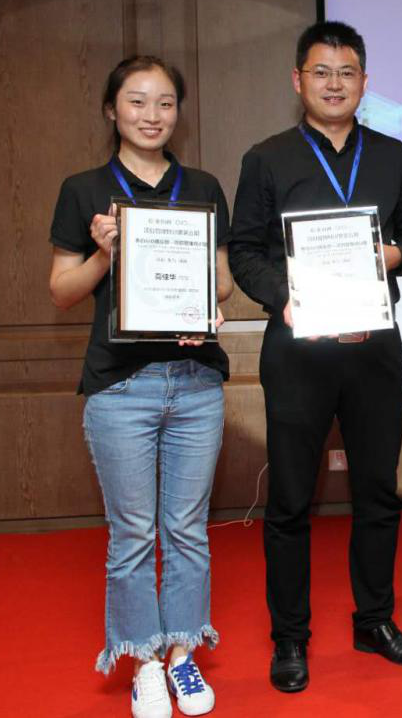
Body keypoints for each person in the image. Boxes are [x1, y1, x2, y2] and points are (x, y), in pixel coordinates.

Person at [228, 21, 402, 693]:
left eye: (347, 73)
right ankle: (290, 638)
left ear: (365, 83)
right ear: (298, 80)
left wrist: (396, 254)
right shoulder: (267, 158)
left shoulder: (391, 155)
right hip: (299, 350)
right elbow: (245, 250)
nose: (334, 84)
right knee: (291, 500)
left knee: (378, 493)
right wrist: (282, 297)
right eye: (321, 72)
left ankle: (375, 622)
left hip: (375, 349)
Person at [49, 55, 233, 718]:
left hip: (196, 382)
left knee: (187, 529)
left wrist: (206, 305)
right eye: (137, 101)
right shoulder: (84, 189)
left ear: (178, 112)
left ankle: (182, 653)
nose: (152, 115)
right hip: (120, 386)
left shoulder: (202, 185)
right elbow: (62, 291)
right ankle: (144, 662)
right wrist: (106, 253)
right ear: (111, 109)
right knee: (132, 533)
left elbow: (221, 283)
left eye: (165, 103)